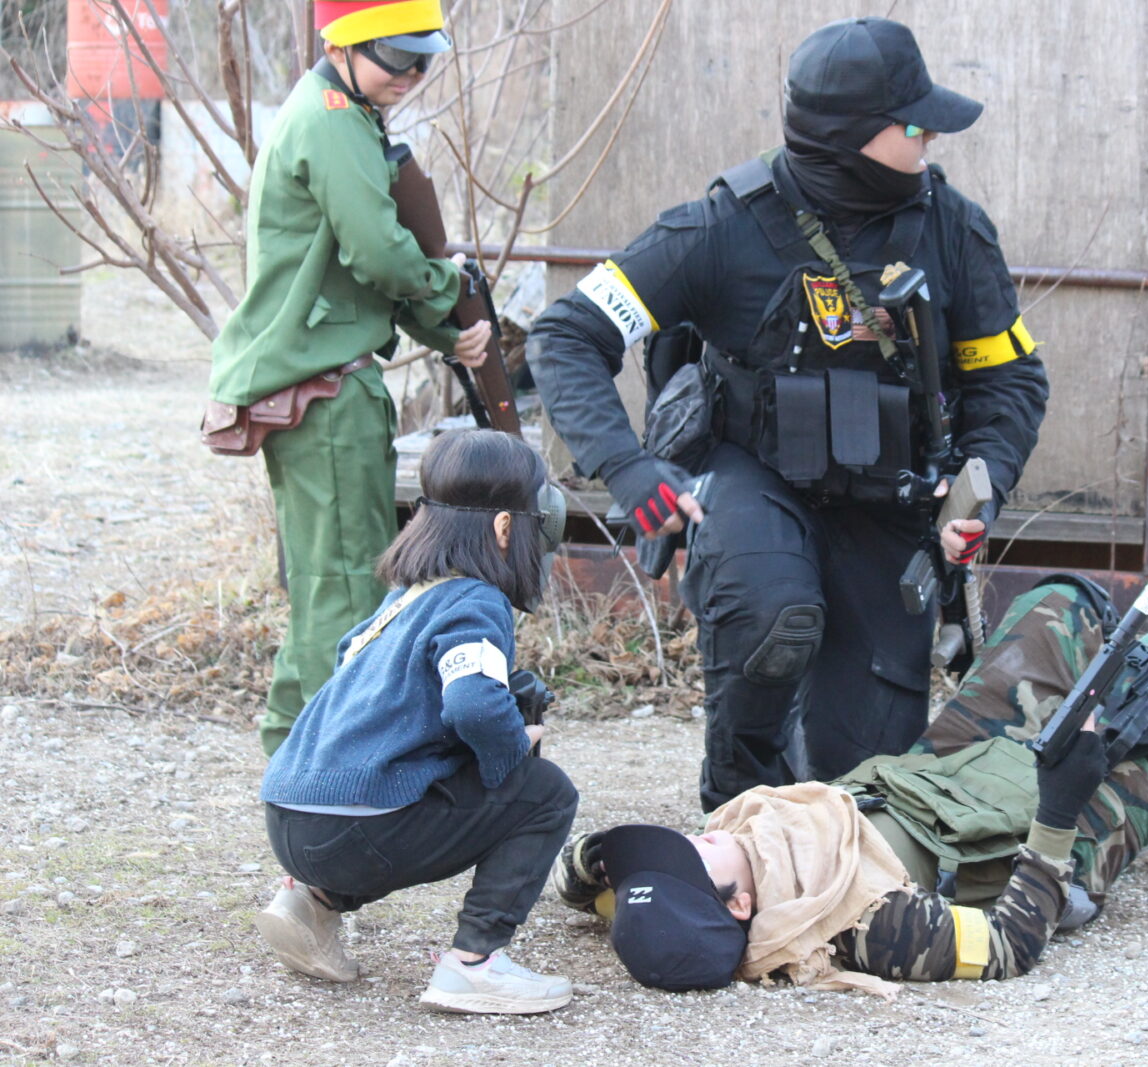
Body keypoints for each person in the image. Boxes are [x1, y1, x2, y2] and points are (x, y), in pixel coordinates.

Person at [530, 16, 1049, 810]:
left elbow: (1010, 382)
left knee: (860, 792)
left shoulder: (953, 230)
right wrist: (629, 468)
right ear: (849, 137)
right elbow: (567, 334)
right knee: (776, 617)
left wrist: (982, 486)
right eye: (914, 126)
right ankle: (739, 808)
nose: (931, 139)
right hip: (753, 479)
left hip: (890, 506)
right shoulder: (723, 226)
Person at [554, 578, 1148, 994]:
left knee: (1059, 603)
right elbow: (1012, 944)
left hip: (936, 775)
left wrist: (600, 862)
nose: (693, 836)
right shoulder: (860, 927)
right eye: (693, 857)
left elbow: (585, 873)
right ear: (742, 906)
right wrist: (1059, 810)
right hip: (1029, 835)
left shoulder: (718, 866)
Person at [208, 0, 494, 757]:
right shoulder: (333, 121)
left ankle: (292, 754)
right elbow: (378, 253)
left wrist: (445, 330)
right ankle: (329, 769)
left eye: (424, 56)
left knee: (324, 584)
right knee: (343, 590)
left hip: (325, 381)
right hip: (325, 389)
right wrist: (449, 290)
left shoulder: (341, 113)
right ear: (342, 46)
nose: (414, 73)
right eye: (397, 55)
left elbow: (360, 268)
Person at [254, 429, 577, 1015]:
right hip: (352, 836)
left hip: (289, 819)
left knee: (401, 783)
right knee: (546, 794)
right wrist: (512, 748)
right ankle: (473, 966)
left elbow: (353, 675)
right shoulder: (477, 601)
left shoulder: (404, 597)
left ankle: (309, 904)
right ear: (506, 528)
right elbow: (474, 704)